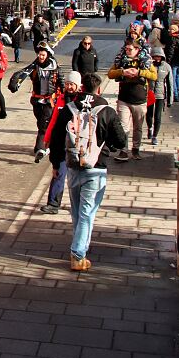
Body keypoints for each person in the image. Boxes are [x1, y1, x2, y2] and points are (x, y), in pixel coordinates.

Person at [65, 72, 127, 271]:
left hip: (73, 167)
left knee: (76, 212)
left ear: (82, 87)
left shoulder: (70, 108)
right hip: (96, 168)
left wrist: (56, 166)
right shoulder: (106, 110)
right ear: (98, 89)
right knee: (87, 213)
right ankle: (78, 253)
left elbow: (58, 138)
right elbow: (121, 141)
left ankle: (78, 249)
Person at [40, 71, 83, 214]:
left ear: (78, 85)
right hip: (61, 143)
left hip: (76, 145)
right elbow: (53, 120)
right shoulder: (61, 99)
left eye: (72, 84)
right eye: (68, 84)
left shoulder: (82, 100)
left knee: (78, 176)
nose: (70, 87)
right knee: (58, 172)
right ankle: (53, 204)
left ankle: (79, 204)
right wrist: (47, 138)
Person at [106, 39, 157, 161]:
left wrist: (139, 72)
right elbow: (110, 74)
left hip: (139, 99)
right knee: (123, 126)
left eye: (130, 49)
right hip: (124, 98)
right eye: (126, 49)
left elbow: (154, 75)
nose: (127, 51)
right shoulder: (121, 60)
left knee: (138, 127)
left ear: (137, 50)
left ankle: (136, 149)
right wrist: (123, 72)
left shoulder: (145, 61)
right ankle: (123, 151)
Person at [20, 44, 62, 162]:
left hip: (49, 102)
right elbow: (23, 73)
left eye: (43, 55)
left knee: (44, 126)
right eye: (39, 55)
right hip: (37, 101)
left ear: (47, 55)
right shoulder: (34, 66)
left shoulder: (55, 67)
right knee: (41, 123)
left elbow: (61, 81)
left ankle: (40, 149)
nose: (41, 57)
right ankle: (44, 145)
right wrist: (15, 82)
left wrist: (65, 97)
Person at [146, 45, 172, 145]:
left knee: (158, 116)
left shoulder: (166, 67)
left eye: (159, 56)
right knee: (149, 114)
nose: (157, 58)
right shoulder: (148, 65)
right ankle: (150, 128)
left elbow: (170, 84)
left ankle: (155, 136)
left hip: (160, 94)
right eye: (155, 56)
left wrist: (170, 100)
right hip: (149, 93)